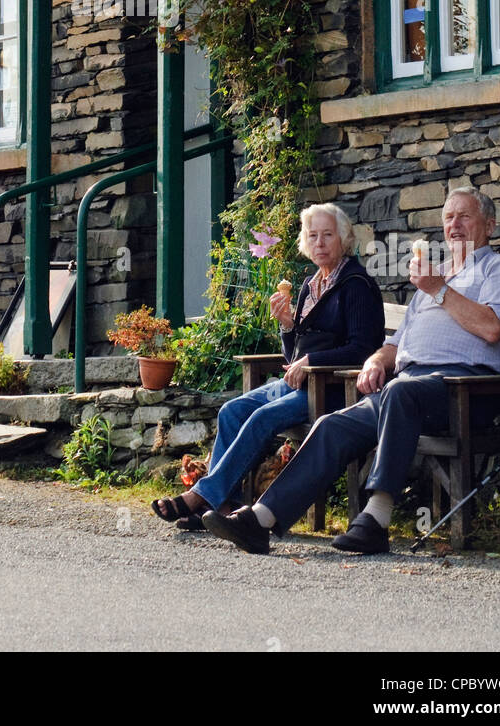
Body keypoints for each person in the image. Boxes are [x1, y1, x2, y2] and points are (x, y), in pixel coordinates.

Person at [202, 186, 500, 555]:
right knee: (331, 425)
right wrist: (376, 360)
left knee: (400, 392)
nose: (454, 224)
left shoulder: (499, 269)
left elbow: (492, 328)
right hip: (407, 386)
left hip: (462, 388)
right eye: (448, 217)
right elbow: (397, 344)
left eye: (464, 216)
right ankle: (260, 520)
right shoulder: (433, 280)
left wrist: (438, 289)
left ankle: (376, 519)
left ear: (489, 224)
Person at [150, 202, 384, 531]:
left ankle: (200, 498)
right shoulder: (309, 285)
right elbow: (294, 353)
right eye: (312, 235)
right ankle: (224, 504)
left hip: (333, 389)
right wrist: (288, 326)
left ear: (344, 239)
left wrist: (311, 361)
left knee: (263, 417)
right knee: (231, 410)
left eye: (327, 235)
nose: (319, 242)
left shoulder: (356, 285)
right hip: (297, 382)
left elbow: (363, 349)